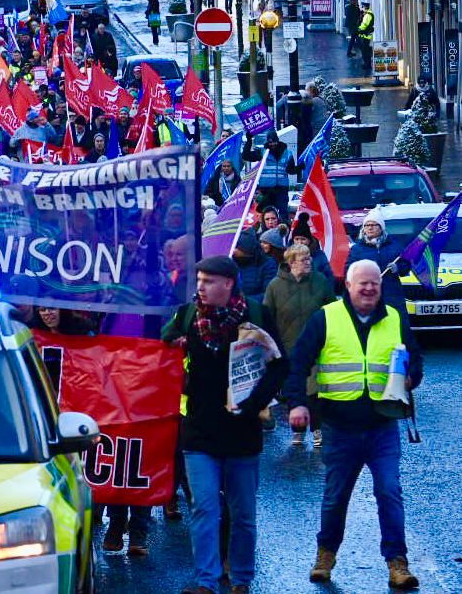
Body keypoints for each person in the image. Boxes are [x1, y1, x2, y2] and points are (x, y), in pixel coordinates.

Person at [286, 259, 422, 590]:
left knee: (390, 492)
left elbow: (416, 361)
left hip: (382, 426)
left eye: (374, 282)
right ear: (347, 286)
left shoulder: (394, 318)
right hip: (340, 427)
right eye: (362, 282)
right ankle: (325, 555)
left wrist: (411, 379)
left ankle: (397, 564)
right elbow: (298, 362)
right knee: (336, 497)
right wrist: (297, 403)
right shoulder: (326, 318)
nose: (369, 288)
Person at [163, 256, 289, 594]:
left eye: (208, 281)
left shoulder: (256, 315)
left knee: (242, 513)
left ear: (229, 283)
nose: (200, 286)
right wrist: (173, 342)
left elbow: (280, 364)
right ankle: (206, 581)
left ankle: (241, 579)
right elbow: (162, 345)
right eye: (199, 280)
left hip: (242, 431)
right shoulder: (188, 315)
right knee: (204, 507)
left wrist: (254, 403)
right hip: (199, 431)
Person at [264, 243, 336, 447]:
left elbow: (333, 310)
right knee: (294, 389)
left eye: (309, 258)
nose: (309, 262)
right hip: (286, 346)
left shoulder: (320, 282)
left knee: (314, 389)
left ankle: (317, 429)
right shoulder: (275, 286)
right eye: (304, 259)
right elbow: (268, 317)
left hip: (317, 346)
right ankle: (298, 429)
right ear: (291, 262)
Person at [346, 207, 408, 311]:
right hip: (368, 295)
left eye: (373, 225)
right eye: (366, 225)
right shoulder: (357, 249)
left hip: (392, 295)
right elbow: (349, 270)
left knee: (396, 323)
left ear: (381, 228)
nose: (370, 228)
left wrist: (397, 268)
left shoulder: (394, 245)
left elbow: (406, 264)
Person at [243, 131, 298, 220]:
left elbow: (291, 170)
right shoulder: (262, 152)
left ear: (278, 141)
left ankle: (283, 231)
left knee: (282, 213)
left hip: (281, 189)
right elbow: (246, 156)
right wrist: (249, 140)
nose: (272, 144)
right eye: (270, 142)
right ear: (267, 142)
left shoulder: (288, 153)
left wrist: (299, 168)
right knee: (266, 214)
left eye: (274, 142)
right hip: (266, 189)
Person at [232, 229, 276, 302]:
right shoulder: (231, 263)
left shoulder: (267, 264)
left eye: (236, 247)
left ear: (245, 248)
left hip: (257, 308)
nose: (233, 250)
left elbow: (269, 293)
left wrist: (244, 301)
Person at [291, 212, 334, 283]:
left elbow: (329, 277)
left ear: (309, 241)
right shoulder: (288, 255)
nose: (300, 242)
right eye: (297, 239)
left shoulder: (319, 256)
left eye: (303, 239)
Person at [357, 2, 374, 72]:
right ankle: (366, 64)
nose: (362, 8)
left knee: (365, 51)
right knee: (365, 51)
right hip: (365, 35)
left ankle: (367, 65)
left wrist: (358, 29)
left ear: (365, 7)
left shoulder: (368, 15)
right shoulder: (367, 14)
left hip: (365, 36)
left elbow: (364, 25)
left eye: (362, 7)